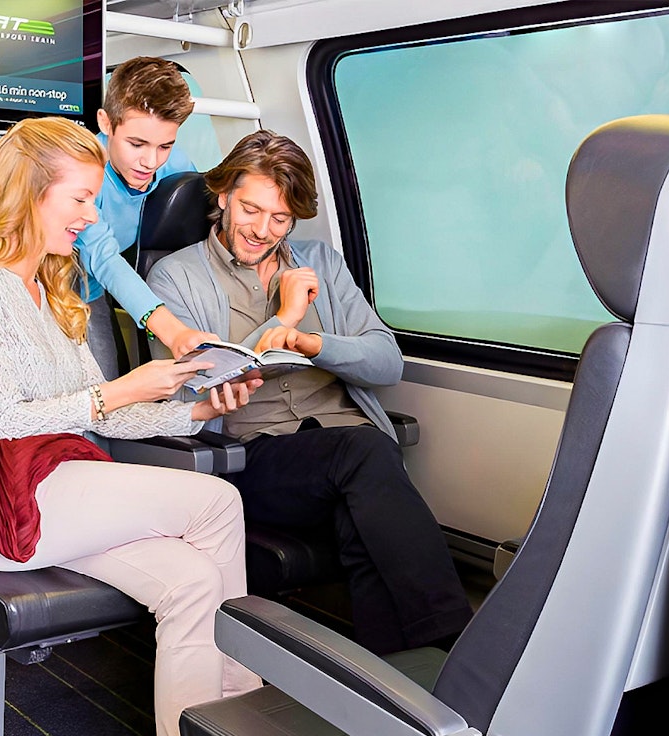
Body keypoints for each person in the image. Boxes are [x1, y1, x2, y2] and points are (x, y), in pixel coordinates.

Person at [0, 116, 264, 736]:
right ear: (26, 193)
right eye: (78, 199)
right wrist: (122, 390)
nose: (88, 216)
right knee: (218, 501)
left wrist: (195, 410)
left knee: (189, 580)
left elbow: (96, 418)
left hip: (55, 487)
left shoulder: (52, 286)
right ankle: (243, 726)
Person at [147, 130, 473, 655]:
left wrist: (311, 341)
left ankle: (396, 686)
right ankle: (460, 650)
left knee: (363, 519)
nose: (261, 231)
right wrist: (282, 319)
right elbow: (188, 393)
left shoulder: (320, 262)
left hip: (346, 455)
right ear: (224, 194)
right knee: (368, 451)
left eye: (279, 219)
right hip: (251, 456)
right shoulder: (174, 277)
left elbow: (387, 362)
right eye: (251, 210)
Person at [77, 56, 217, 377]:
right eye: (136, 144)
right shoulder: (82, 171)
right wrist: (172, 332)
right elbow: (105, 259)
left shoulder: (175, 165)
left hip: (91, 290)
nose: (150, 161)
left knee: (108, 388)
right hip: (48, 284)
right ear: (105, 123)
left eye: (164, 146)